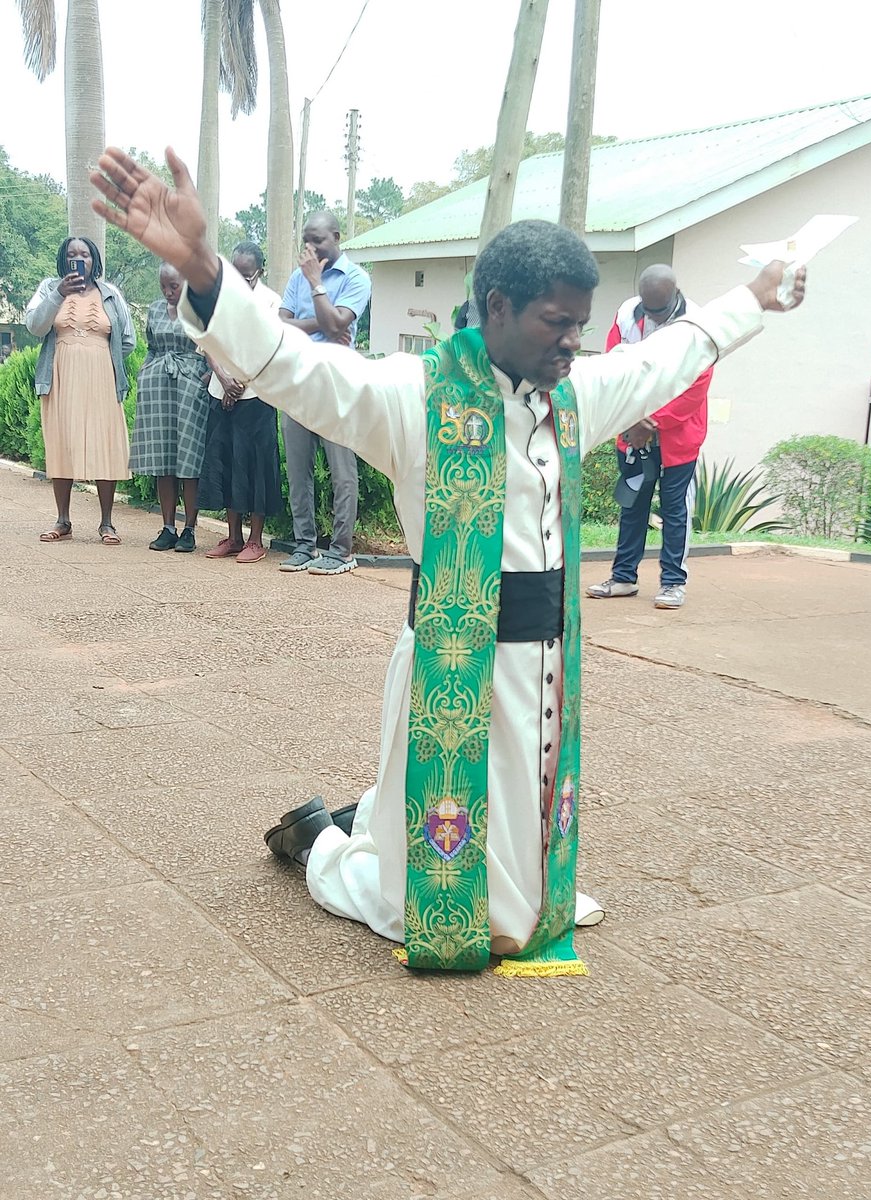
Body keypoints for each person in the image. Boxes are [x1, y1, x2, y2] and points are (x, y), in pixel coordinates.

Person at [90, 147, 805, 978]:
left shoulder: (572, 394)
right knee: (421, 905)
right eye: (555, 322)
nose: (574, 341)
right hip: (448, 662)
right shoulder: (412, 396)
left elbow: (668, 356)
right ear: (495, 306)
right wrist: (205, 270)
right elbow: (296, 366)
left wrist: (758, 295)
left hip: (544, 669)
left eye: (581, 322)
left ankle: (389, 830)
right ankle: (325, 842)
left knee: (529, 889)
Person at [586, 265, 712, 609]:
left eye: (659, 309)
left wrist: (652, 421)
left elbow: (695, 386)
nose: (652, 316)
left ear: (675, 295)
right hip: (632, 430)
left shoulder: (698, 325)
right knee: (632, 505)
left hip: (678, 436)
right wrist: (631, 421)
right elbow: (614, 366)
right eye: (648, 308)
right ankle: (624, 577)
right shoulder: (627, 314)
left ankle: (673, 583)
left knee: (674, 510)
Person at [278, 212, 372, 575]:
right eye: (306, 241)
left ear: (336, 236)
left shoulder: (357, 279)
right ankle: (306, 546)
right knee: (298, 468)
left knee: (340, 469)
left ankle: (341, 550)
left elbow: (340, 323)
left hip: (336, 382)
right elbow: (281, 326)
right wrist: (325, 322)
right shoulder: (294, 278)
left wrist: (316, 284)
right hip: (298, 380)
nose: (310, 248)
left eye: (318, 240)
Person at [25, 236, 135, 544]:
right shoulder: (49, 288)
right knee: (62, 442)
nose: (79, 259)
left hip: (102, 378)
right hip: (60, 375)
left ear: (94, 260)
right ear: (63, 260)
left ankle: (107, 523)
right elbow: (34, 326)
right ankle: (63, 520)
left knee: (107, 443)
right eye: (72, 255)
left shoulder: (111, 293)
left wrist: (100, 354)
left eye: (84, 255)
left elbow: (128, 339)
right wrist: (59, 294)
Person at [197, 241, 284, 564]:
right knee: (226, 461)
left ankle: (256, 540)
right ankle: (233, 537)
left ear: (259, 273)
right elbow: (207, 340)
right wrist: (222, 378)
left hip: (257, 397)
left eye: (246, 275)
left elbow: (269, 349)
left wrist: (241, 384)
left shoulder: (271, 301)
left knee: (256, 467)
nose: (239, 279)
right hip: (221, 393)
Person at [129, 262, 210, 552]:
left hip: (189, 383)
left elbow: (211, 345)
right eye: (164, 286)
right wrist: (145, 370)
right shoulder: (153, 309)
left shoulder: (198, 308)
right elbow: (151, 345)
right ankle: (167, 527)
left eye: (173, 286)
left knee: (188, 459)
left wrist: (207, 374)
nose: (168, 292)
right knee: (163, 458)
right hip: (159, 385)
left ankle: (189, 528)